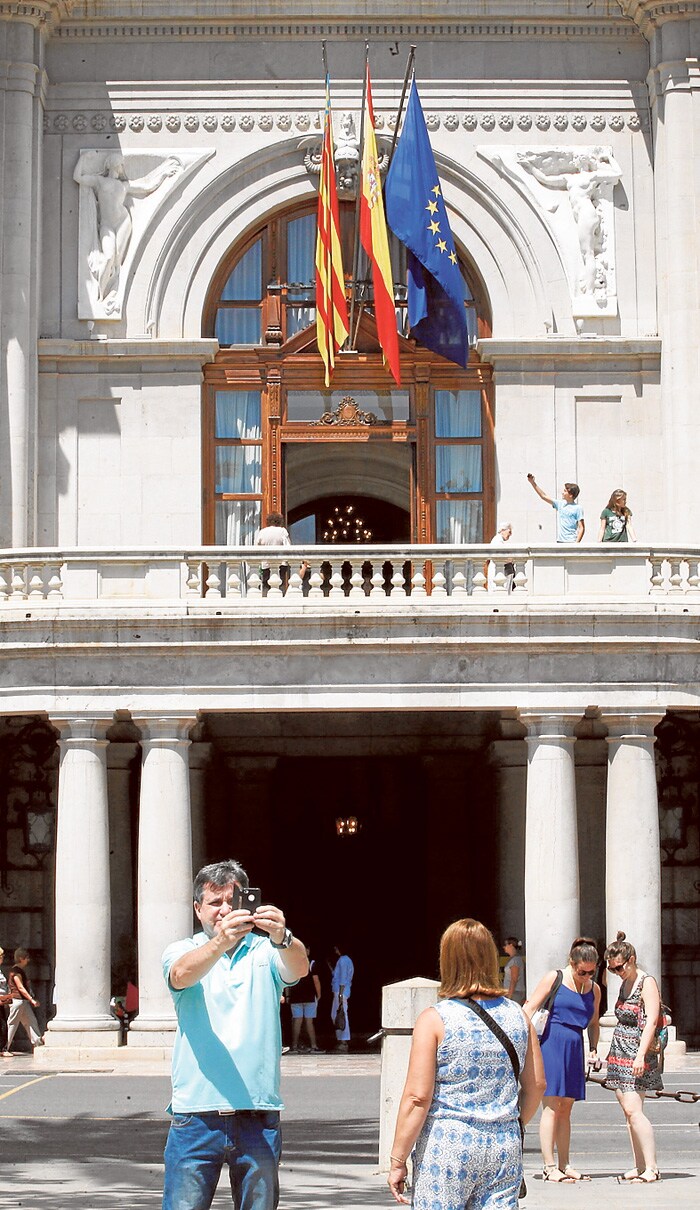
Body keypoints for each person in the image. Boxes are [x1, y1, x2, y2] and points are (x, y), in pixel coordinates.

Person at [161, 859, 308, 1210]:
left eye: (233, 900)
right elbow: (181, 975)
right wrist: (220, 944)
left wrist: (283, 936)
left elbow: (299, 967)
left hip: (257, 1114)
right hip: (196, 1116)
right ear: (198, 909)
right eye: (215, 903)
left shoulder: (266, 950)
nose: (225, 910)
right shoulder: (182, 949)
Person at [388, 918, 546, 1208]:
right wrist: (513, 1121)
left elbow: (417, 1097)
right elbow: (536, 1085)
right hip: (503, 1144)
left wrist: (398, 1159)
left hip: (447, 1143)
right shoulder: (518, 1016)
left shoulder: (435, 1019)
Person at [523, 937, 601, 1182]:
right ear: (572, 963)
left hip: (575, 1044)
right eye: (582, 972)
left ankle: (565, 1163)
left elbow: (594, 1022)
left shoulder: (594, 989)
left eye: (591, 972)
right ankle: (549, 1165)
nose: (586, 976)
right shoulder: (554, 978)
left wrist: (595, 1048)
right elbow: (529, 1009)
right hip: (551, 1041)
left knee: (566, 1108)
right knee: (551, 1106)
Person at [603, 931, 662, 1183]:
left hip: (638, 1052)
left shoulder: (646, 982)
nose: (617, 972)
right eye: (612, 969)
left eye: (620, 967)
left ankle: (652, 1166)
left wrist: (639, 1057)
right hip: (619, 1050)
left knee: (634, 1109)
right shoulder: (623, 982)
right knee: (628, 1113)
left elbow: (650, 1022)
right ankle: (639, 1166)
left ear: (632, 959)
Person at [527, 474, 585, 543]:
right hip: (560, 541)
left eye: (565, 491)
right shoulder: (560, 504)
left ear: (570, 495)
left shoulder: (578, 508)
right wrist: (532, 482)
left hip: (571, 541)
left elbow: (581, 527)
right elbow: (543, 496)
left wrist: (576, 544)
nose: (562, 493)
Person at [7, 948, 44, 1052]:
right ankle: (5, 1047)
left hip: (22, 1002)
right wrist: (31, 999)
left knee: (31, 1022)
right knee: (12, 1024)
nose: (28, 960)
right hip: (17, 1001)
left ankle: (37, 1043)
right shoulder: (16, 972)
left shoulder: (19, 971)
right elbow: (20, 988)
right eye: (26, 958)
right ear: (21, 959)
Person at [287, 945, 322, 1052]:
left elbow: (287, 980)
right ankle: (313, 1046)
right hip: (309, 997)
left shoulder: (291, 962)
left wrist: (288, 995)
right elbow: (316, 980)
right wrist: (319, 994)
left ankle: (294, 1046)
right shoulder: (311, 964)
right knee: (309, 1022)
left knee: (297, 1021)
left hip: (295, 997)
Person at [254, 512, 292, 591]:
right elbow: (288, 547)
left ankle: (265, 599)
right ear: (279, 521)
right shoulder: (282, 531)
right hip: (281, 563)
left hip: (266, 563)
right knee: (280, 584)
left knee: (266, 584)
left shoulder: (262, 532)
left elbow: (256, 548)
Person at [330, 945, 354, 1052]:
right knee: (336, 1014)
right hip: (341, 990)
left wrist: (340, 993)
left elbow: (343, 978)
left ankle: (343, 1040)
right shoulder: (345, 960)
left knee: (341, 1015)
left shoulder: (343, 960)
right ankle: (341, 1039)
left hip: (341, 991)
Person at [487, 521, 516, 591]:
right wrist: (511, 559)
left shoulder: (499, 540)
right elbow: (499, 557)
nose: (511, 534)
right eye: (509, 532)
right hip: (498, 572)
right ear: (503, 530)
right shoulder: (497, 540)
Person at [0, 947, 14, 1058]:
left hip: (2, 1000)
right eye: (2, 956)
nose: (3, 959)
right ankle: (2, 1048)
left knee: (3, 1024)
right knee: (3, 1025)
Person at [502, 937, 525, 1004]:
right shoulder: (514, 959)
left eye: (505, 945)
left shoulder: (515, 960)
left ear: (511, 945)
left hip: (515, 993)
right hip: (512, 992)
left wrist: (509, 996)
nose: (504, 947)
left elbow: (514, 979)